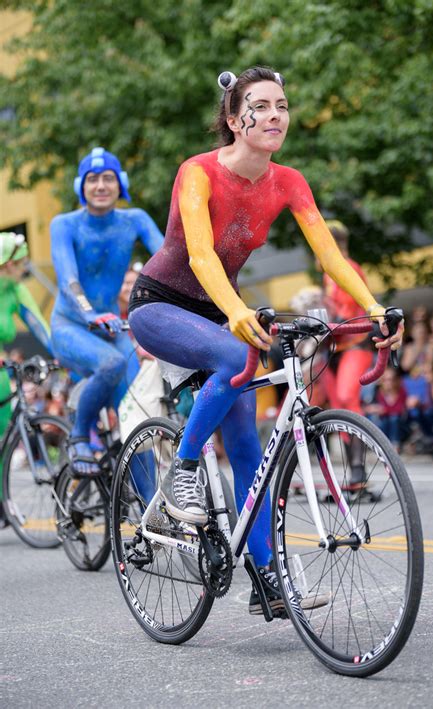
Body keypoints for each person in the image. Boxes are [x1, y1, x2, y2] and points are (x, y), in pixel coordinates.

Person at [128, 67, 403, 615]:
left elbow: (329, 254)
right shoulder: (198, 172)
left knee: (251, 446)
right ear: (234, 120)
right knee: (236, 355)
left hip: (220, 310)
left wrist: (374, 308)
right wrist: (234, 310)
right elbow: (202, 254)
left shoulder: (288, 181)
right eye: (261, 105)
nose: (275, 115)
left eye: (282, 105)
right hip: (161, 305)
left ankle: (267, 581)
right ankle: (183, 473)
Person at [50, 147, 164, 480]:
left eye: (108, 179)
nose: (101, 186)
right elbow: (68, 278)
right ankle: (80, 435)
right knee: (111, 364)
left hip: (113, 329)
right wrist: (88, 314)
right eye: (93, 179)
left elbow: (167, 258)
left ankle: (151, 517)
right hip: (71, 326)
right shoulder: (65, 224)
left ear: (121, 184)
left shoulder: (135, 219)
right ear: (81, 187)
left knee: (138, 421)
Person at [315, 220, 376, 488]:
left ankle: (358, 468)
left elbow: (344, 314)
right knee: (334, 403)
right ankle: (351, 470)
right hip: (334, 346)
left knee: (347, 397)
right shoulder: (329, 274)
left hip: (355, 342)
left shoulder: (348, 269)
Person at [0, 232, 51, 528]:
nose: (25, 268)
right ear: (5, 264)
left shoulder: (17, 290)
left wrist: (59, 356)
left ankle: (4, 503)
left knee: (3, 441)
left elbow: (39, 324)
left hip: (2, 370)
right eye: (20, 263)